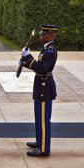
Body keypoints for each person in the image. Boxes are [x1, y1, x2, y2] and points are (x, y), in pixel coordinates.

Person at [20, 24, 59, 157]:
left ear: (51, 35)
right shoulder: (45, 49)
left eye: (44, 33)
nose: (41, 35)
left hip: (45, 88)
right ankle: (39, 141)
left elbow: (42, 69)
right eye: (41, 33)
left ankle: (43, 149)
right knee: (38, 117)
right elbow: (38, 66)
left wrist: (28, 57)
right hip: (40, 86)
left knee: (43, 119)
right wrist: (24, 62)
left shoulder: (50, 51)